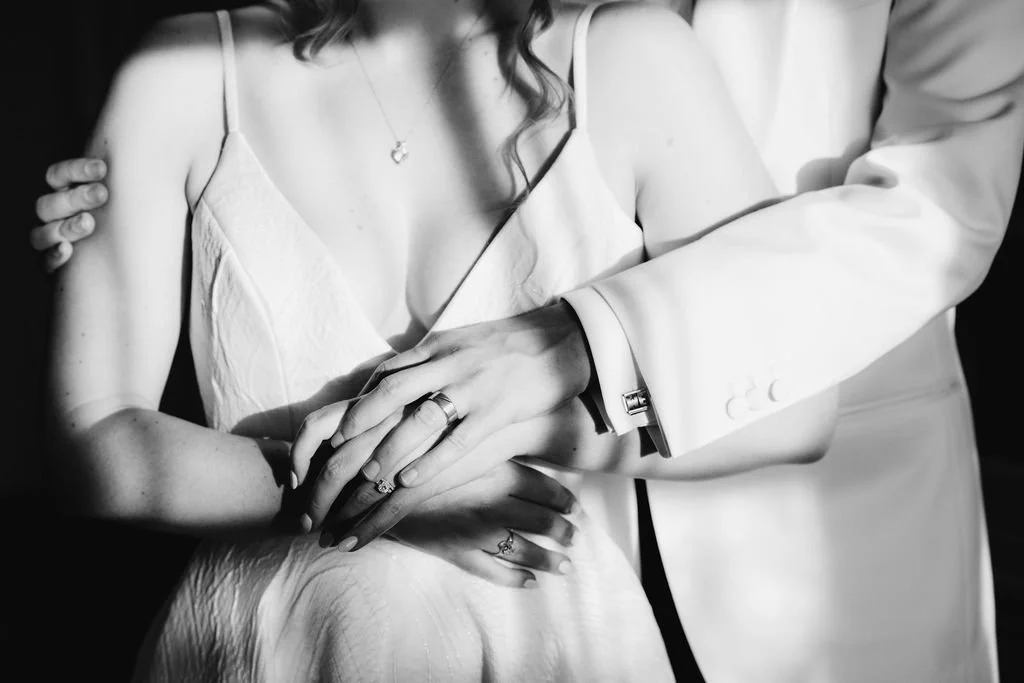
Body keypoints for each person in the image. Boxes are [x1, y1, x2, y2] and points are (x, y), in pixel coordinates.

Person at [38, 0, 847, 679]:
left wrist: (463, 445)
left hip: (552, 645)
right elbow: (93, 444)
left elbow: (797, 404)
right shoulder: (185, 72)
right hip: (275, 639)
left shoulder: (634, 60)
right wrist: (394, 492)